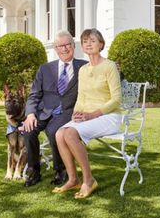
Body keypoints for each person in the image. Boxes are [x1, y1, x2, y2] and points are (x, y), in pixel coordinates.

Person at [54, 28, 122, 199]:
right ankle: (73, 179)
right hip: (87, 116)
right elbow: (81, 96)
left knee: (69, 133)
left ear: (101, 44)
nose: (88, 44)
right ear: (82, 47)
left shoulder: (110, 66)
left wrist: (93, 114)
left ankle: (89, 180)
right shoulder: (83, 70)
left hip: (109, 116)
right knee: (59, 134)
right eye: (85, 41)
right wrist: (76, 113)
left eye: (92, 40)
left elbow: (116, 100)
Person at [22, 30, 88, 187]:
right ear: (55, 49)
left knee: (53, 131)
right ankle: (34, 171)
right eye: (60, 46)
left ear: (73, 46)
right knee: (28, 130)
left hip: (68, 112)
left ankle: (61, 170)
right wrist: (30, 114)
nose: (64, 49)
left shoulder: (85, 67)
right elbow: (34, 95)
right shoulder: (45, 69)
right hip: (44, 111)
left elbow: (103, 74)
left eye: (67, 45)